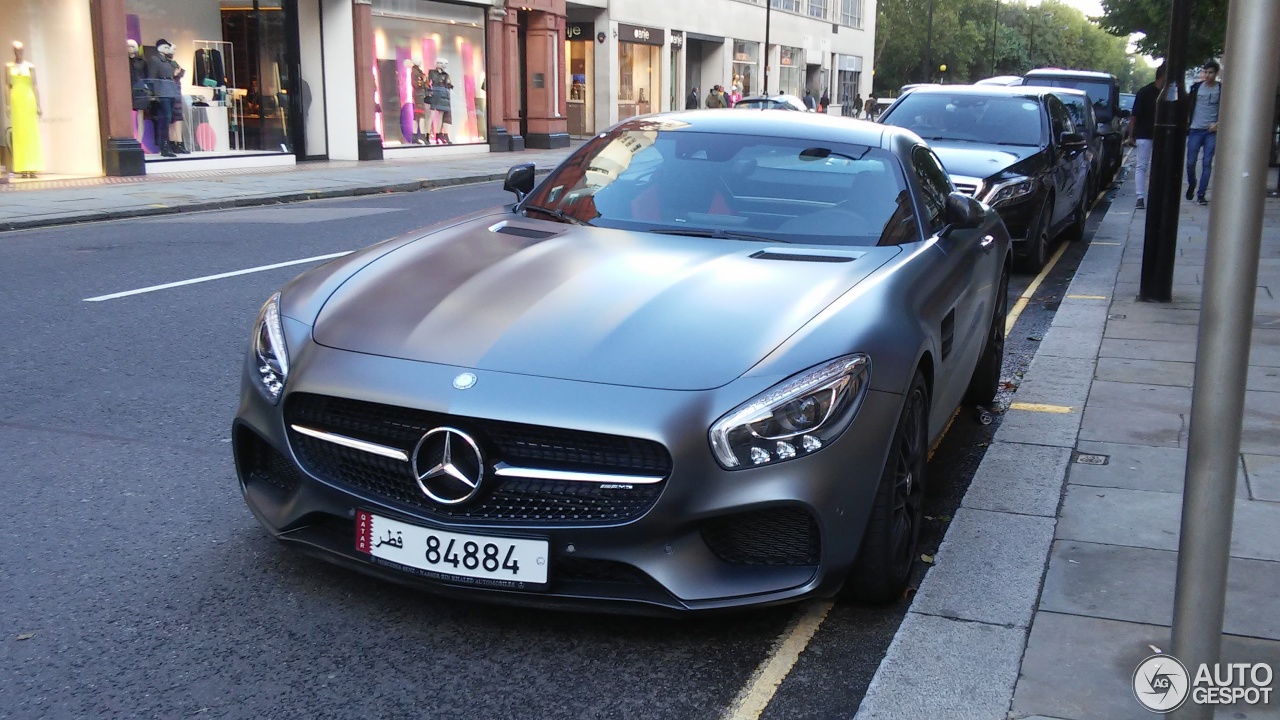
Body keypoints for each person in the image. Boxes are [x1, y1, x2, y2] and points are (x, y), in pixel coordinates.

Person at [1126, 63, 1165, 210]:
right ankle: (1140, 197)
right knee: (1142, 166)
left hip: (1160, 136)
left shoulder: (1165, 94)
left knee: (1157, 166)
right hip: (1145, 134)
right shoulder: (1145, 92)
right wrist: (1131, 135)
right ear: (1163, 76)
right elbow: (1134, 116)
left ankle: (1152, 196)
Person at [1185, 60, 1221, 205]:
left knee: (1207, 162)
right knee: (1190, 162)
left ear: (1216, 73)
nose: (1207, 75)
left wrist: (1218, 123)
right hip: (1195, 130)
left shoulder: (1221, 89)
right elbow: (1188, 106)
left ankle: (1201, 194)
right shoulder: (1196, 88)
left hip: (1210, 131)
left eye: (1211, 72)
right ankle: (1192, 183)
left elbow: (1228, 108)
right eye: (1205, 72)